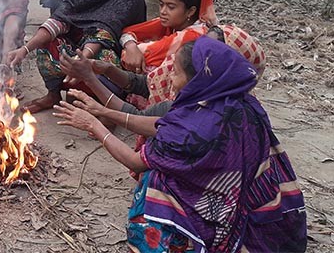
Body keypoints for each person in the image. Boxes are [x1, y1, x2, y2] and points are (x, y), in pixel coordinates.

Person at [53, 37, 307, 252]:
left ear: (197, 79)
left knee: (154, 183)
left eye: (175, 72)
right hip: (269, 215)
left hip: (238, 226)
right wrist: (102, 111)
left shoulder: (195, 128)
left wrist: (92, 124)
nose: (170, 79)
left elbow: (135, 161)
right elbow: (161, 123)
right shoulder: (232, 102)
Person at [6, 0, 147, 113]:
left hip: (109, 55)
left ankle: (109, 107)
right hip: (79, 49)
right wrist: (25, 49)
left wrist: (82, 61)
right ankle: (54, 94)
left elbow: (104, 33)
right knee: (48, 41)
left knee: (104, 57)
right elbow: (60, 19)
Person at [119, 0, 265, 107]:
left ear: (190, 11)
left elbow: (133, 55)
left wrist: (132, 47)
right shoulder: (171, 21)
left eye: (171, 7)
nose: (163, 11)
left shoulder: (195, 34)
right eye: (161, 4)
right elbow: (128, 32)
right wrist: (131, 45)